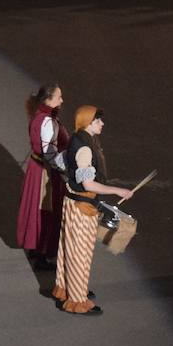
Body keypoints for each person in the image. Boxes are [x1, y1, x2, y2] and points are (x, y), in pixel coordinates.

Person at [52, 106, 132, 315]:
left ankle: (66, 288)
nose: (102, 124)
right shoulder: (86, 147)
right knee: (80, 251)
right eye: (98, 121)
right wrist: (117, 190)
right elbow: (88, 184)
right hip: (82, 206)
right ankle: (77, 301)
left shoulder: (76, 139)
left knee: (67, 248)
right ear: (89, 122)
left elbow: (61, 162)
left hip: (71, 202)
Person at [17, 84, 68, 270]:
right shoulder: (47, 121)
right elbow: (50, 153)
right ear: (48, 100)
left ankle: (36, 249)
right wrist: (66, 169)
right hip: (44, 172)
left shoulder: (40, 115)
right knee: (46, 211)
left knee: (38, 209)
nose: (62, 100)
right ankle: (41, 254)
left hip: (36, 167)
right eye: (58, 97)